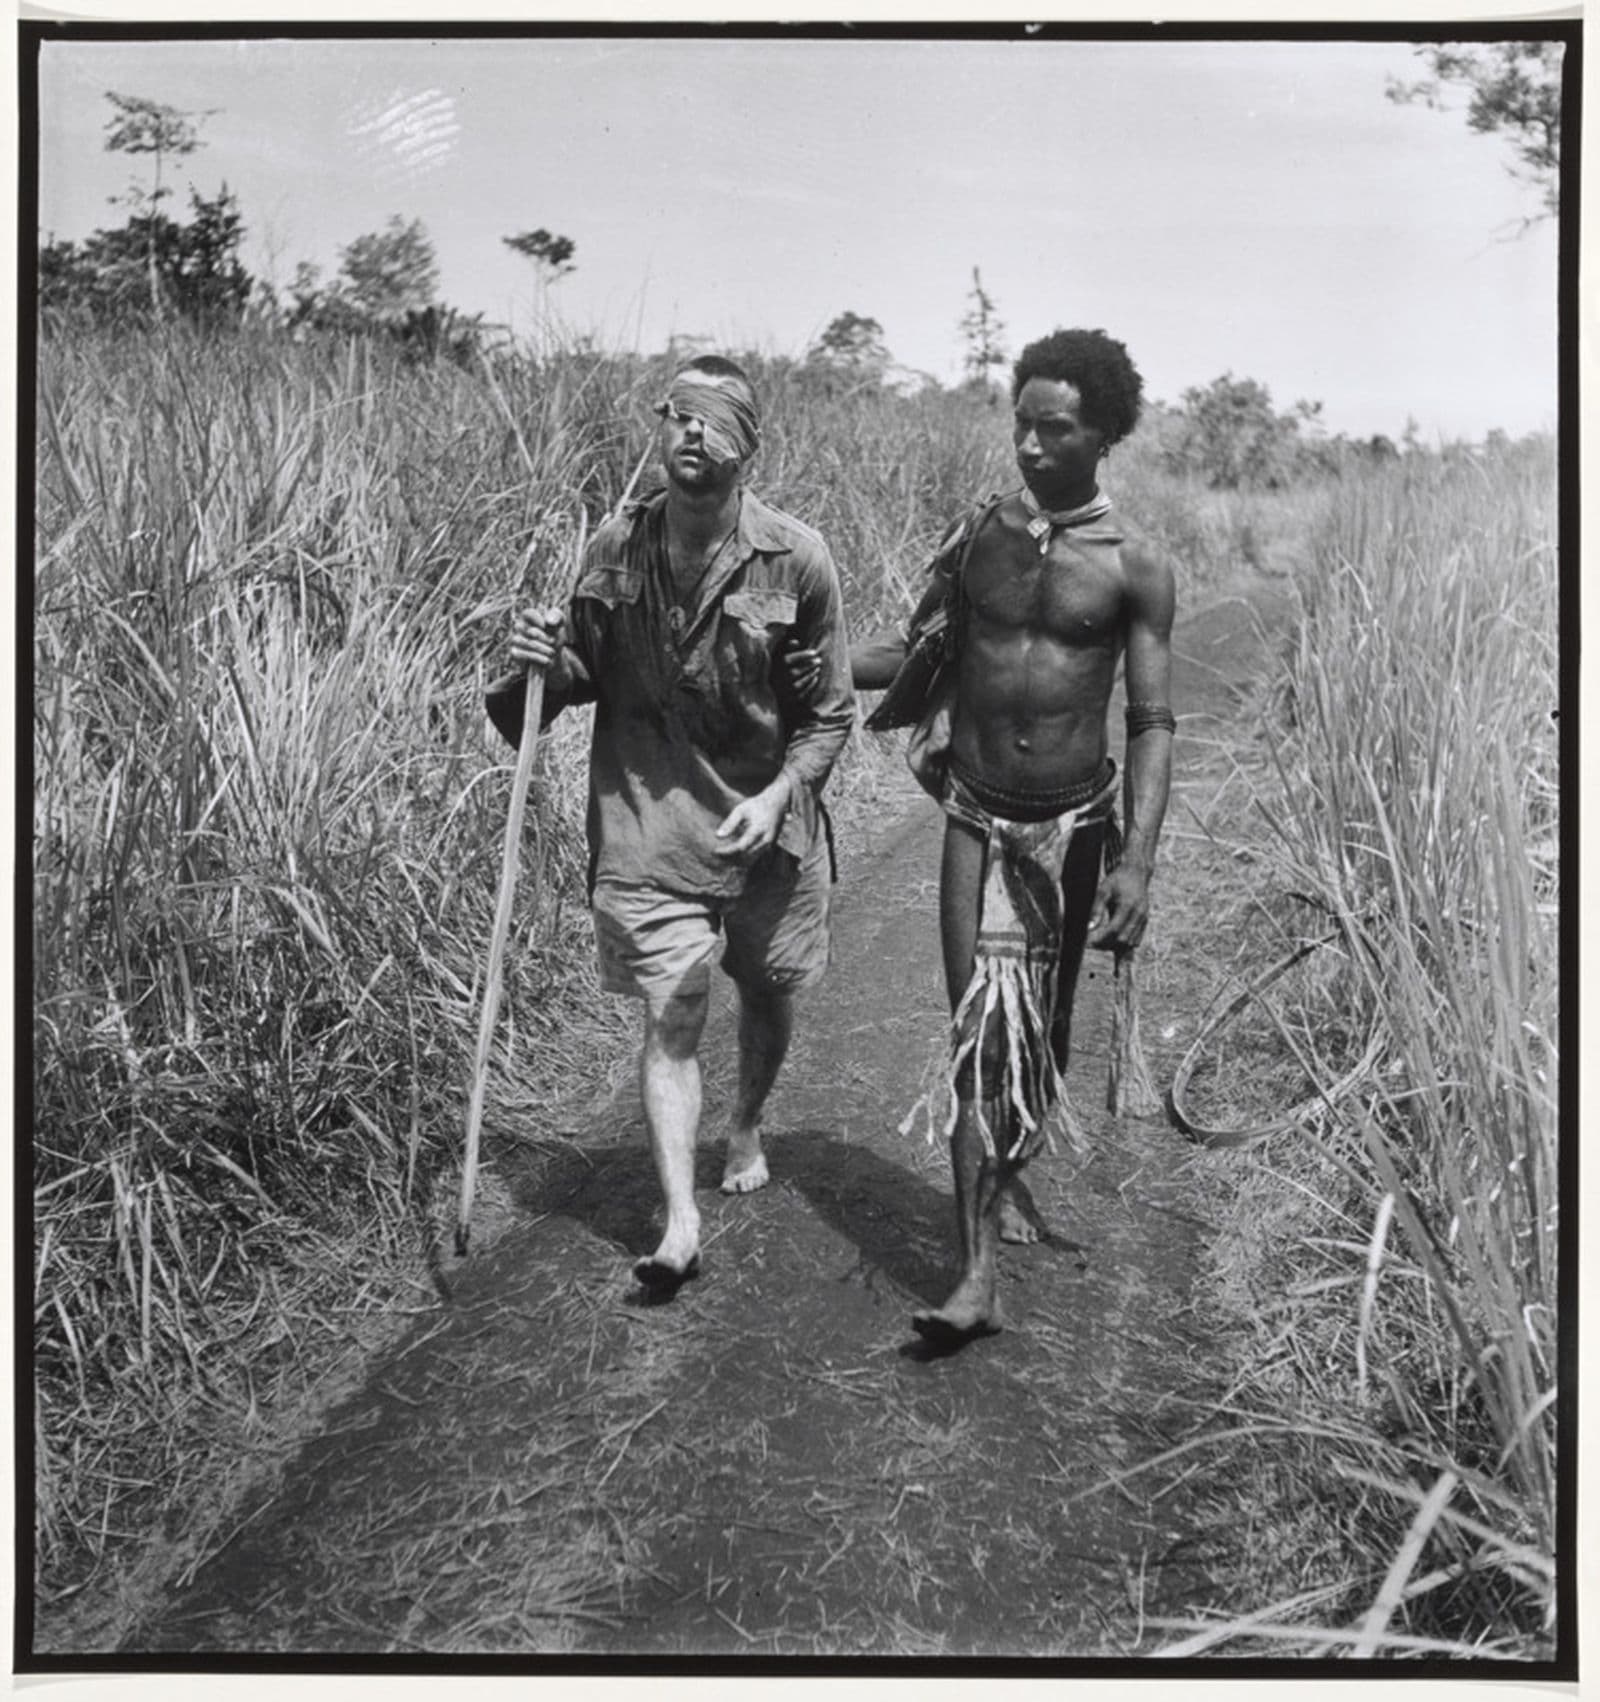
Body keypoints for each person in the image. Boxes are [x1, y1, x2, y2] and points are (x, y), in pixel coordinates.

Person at [792, 327, 1176, 1347]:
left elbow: (1148, 721)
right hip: (973, 812)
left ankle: (1007, 1165)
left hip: (1072, 827)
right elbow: (909, 652)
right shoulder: (979, 542)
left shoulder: (1134, 567)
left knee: (1038, 1042)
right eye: (1022, 426)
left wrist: (1136, 859)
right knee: (975, 1035)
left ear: (1102, 436)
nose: (1032, 447)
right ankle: (973, 1276)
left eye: (1055, 429)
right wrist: (804, 657)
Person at [495, 355, 854, 1293]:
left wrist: (782, 795)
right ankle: (680, 1220)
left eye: (716, 417)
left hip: (763, 822)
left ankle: (743, 1121)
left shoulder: (798, 559)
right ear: (660, 431)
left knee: (769, 988)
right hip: (650, 820)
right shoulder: (613, 550)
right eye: (678, 415)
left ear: (750, 443)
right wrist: (534, 660)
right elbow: (560, 687)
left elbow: (831, 714)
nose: (693, 432)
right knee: (676, 1008)